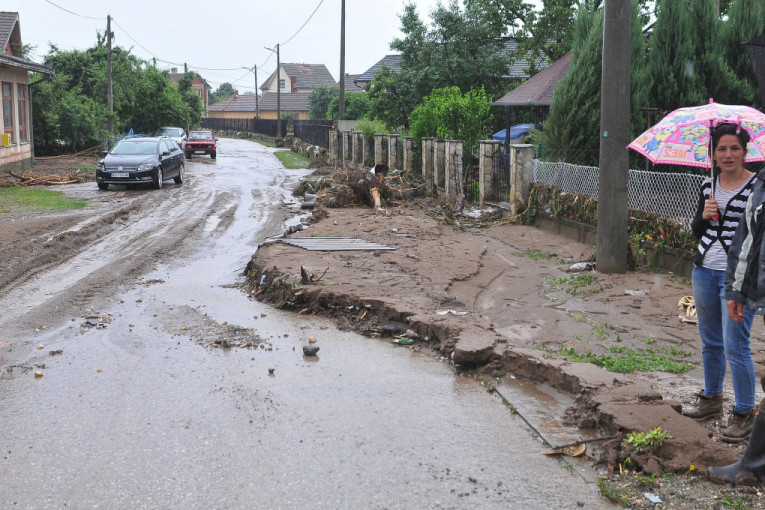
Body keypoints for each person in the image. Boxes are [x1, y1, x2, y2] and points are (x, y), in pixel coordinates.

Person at [682, 122, 758, 442]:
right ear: (713, 154)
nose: (728, 154)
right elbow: (697, 231)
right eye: (722, 149)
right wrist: (704, 215)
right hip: (703, 270)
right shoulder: (707, 185)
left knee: (735, 346)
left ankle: (744, 413)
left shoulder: (757, 188)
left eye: (734, 148)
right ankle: (712, 399)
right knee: (710, 341)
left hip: (738, 277)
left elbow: (758, 238)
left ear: (744, 152)